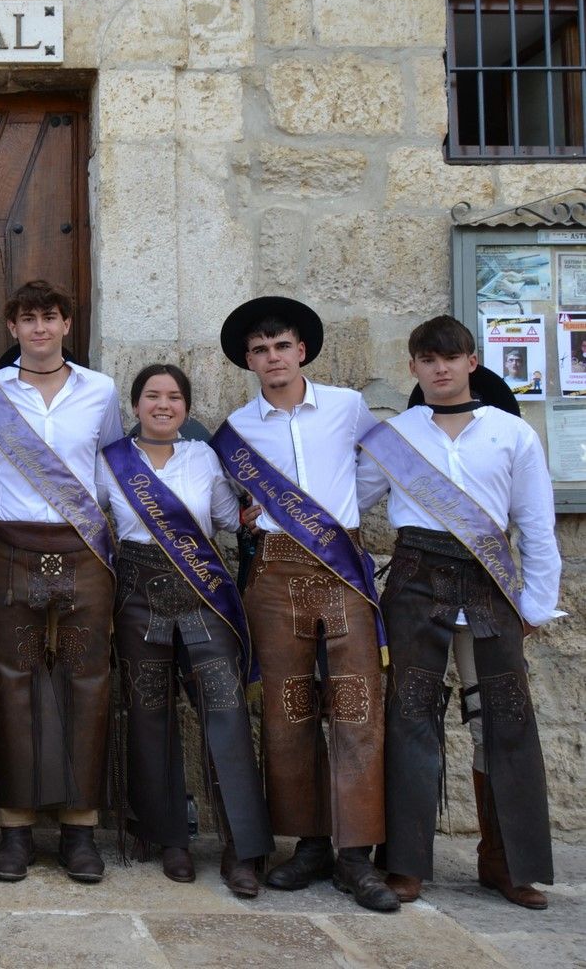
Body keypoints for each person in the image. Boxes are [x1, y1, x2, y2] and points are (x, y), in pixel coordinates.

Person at [357, 316, 561, 909]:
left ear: (472, 361)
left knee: (504, 720)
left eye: (451, 357)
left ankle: (507, 864)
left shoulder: (512, 434)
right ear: (414, 368)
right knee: (409, 716)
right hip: (417, 579)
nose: (440, 368)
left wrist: (536, 604)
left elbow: (536, 524)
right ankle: (405, 863)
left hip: (491, 584)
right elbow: (351, 498)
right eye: (427, 358)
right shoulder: (395, 436)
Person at [210, 296, 397, 912]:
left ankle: (356, 855)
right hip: (274, 570)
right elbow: (229, 502)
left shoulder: (346, 407)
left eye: (282, 346)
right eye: (260, 350)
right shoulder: (237, 428)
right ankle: (311, 842)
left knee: (355, 705)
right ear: (248, 360)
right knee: (288, 711)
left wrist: (341, 515)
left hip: (340, 565)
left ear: (303, 350)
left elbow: (377, 471)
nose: (272, 358)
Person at [0, 280, 121, 883]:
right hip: (10, 548)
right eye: (29, 318)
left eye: (51, 316)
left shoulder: (100, 392)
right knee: (12, 686)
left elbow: (110, 472)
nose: (41, 327)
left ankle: (80, 831)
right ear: (13, 327)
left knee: (88, 684)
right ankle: (15, 830)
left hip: (82, 551)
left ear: (68, 325)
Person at [103, 364, 273, 897]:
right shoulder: (110, 463)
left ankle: (243, 847)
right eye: (152, 395)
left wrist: (254, 511)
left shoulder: (204, 458)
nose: (163, 404)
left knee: (225, 713)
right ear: (135, 406)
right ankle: (167, 837)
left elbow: (225, 519)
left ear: (186, 408)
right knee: (149, 716)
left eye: (174, 397)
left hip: (203, 595)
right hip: (136, 596)